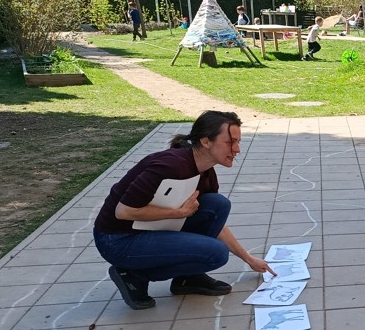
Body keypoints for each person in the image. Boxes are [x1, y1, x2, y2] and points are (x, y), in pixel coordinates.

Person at [93, 111, 272, 310]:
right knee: (216, 254)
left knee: (218, 204)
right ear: (206, 141)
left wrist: (248, 259)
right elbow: (124, 212)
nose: (237, 149)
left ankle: (187, 278)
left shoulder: (206, 172)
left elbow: (217, 225)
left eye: (238, 142)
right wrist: (178, 213)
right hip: (118, 239)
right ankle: (133, 275)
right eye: (230, 142)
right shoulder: (170, 166)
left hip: (150, 228)